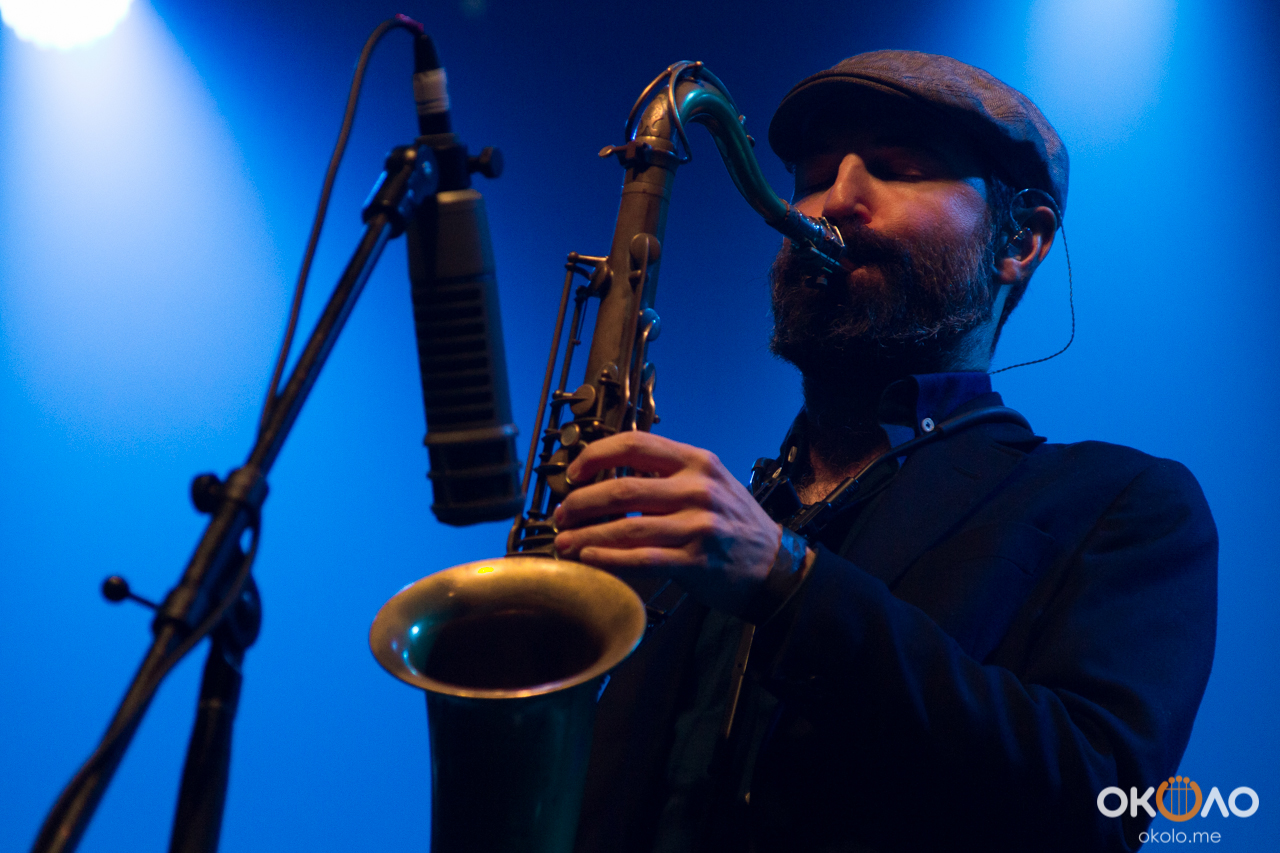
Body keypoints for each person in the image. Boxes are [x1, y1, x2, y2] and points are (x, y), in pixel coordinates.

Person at [554, 51, 1217, 852]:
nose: (834, 201)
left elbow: (1098, 801)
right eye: (813, 176)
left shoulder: (1119, 503)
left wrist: (791, 585)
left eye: (898, 168)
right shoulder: (695, 547)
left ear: (1022, 239)